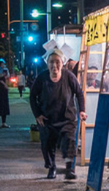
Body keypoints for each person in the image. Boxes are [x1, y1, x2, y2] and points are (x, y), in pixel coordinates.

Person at [30, 49, 86, 179]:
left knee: (69, 142)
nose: (54, 65)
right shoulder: (42, 78)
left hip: (67, 118)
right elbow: (33, 96)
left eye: (57, 62)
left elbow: (78, 93)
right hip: (47, 118)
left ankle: (69, 168)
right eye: (51, 62)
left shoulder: (69, 76)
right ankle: (52, 167)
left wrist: (82, 110)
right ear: (47, 63)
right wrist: (37, 114)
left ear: (62, 63)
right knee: (47, 145)